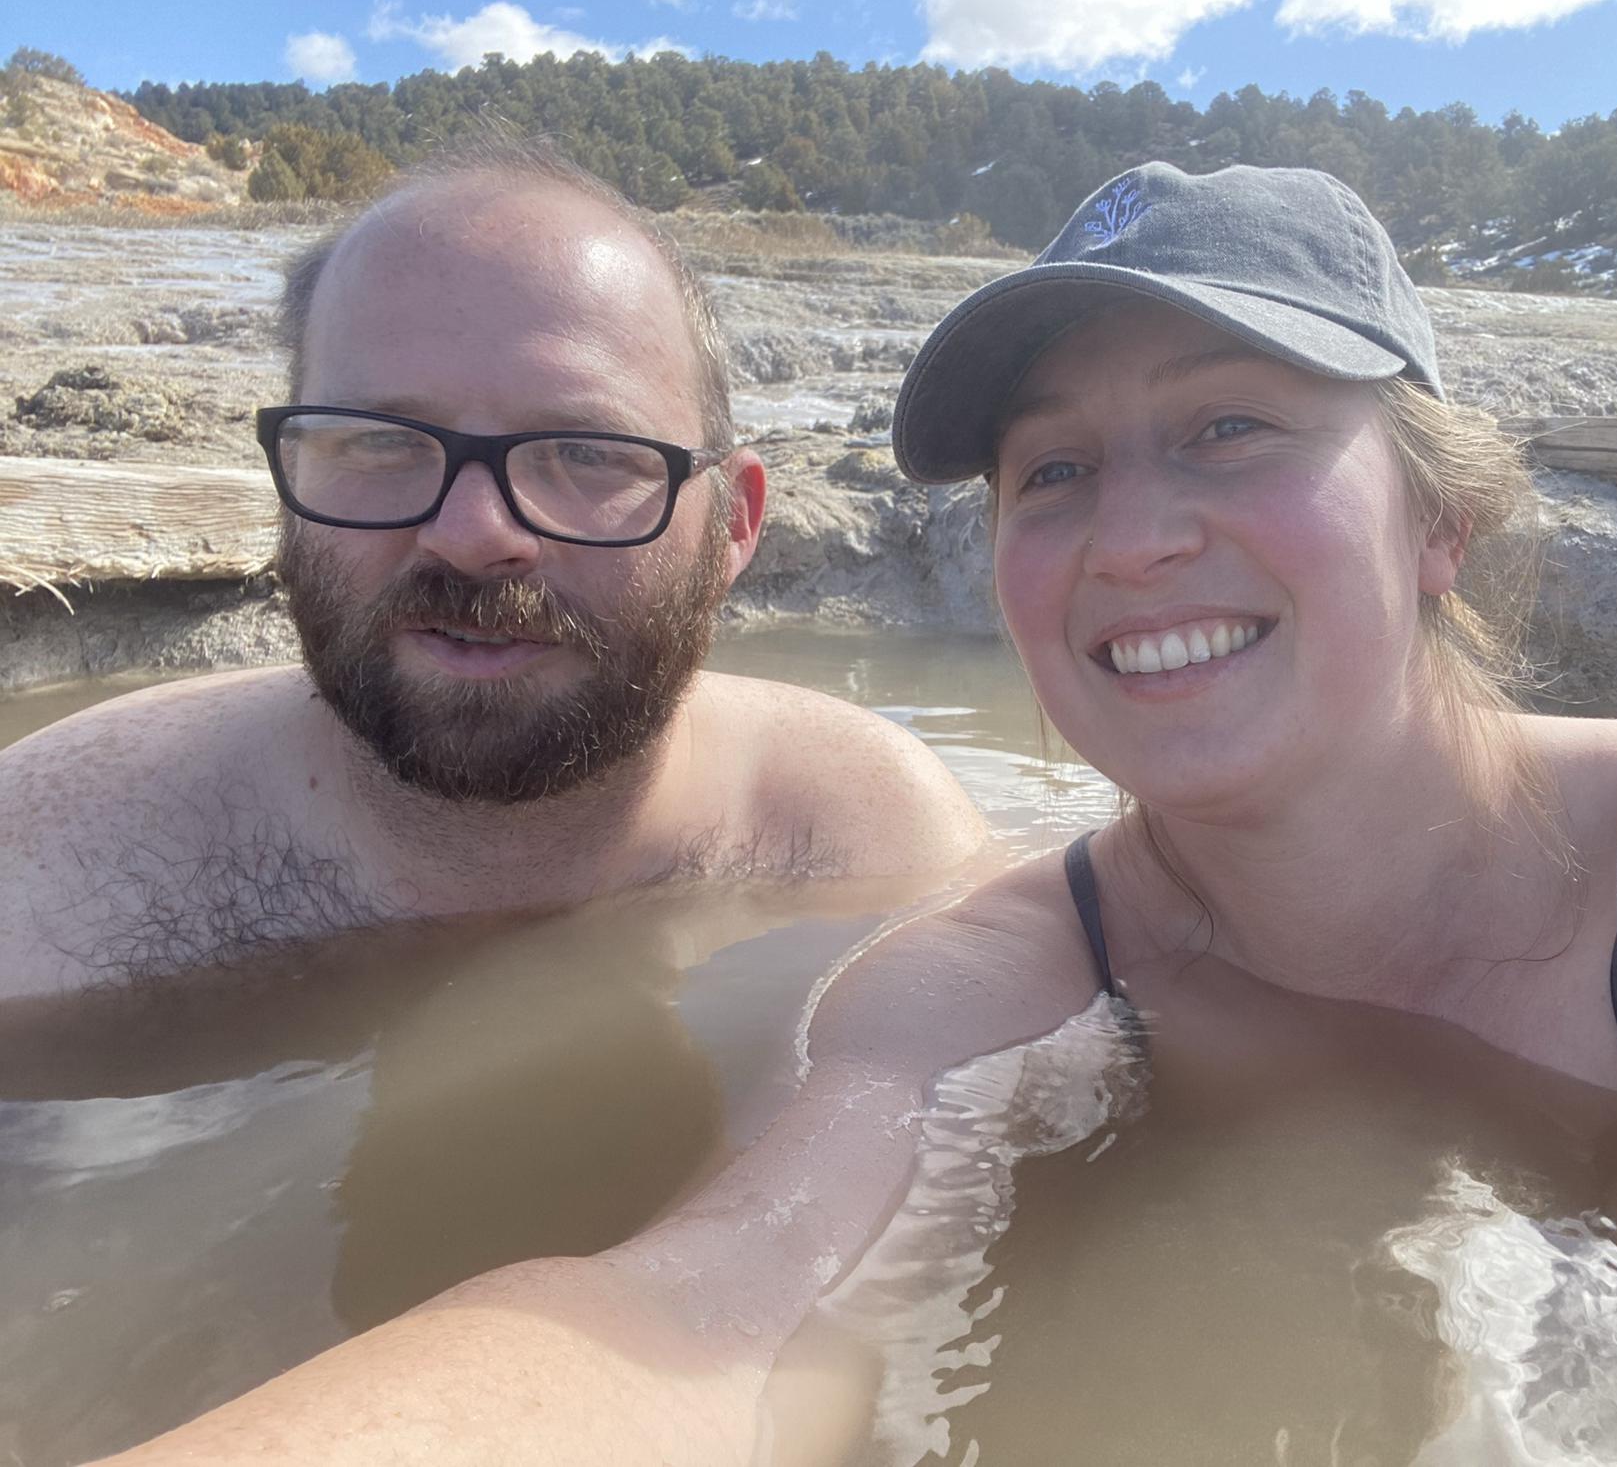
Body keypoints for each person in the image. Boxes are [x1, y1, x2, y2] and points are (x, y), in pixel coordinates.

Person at [94, 164, 1617, 1466]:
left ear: (1439, 520)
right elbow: (707, 1319)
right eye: (1055, 470)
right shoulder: (980, 974)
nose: (1135, 533)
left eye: (1232, 428)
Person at [0, 140, 986, 1001]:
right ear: (288, 468)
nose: (469, 535)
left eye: (588, 452)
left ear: (734, 523)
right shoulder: (45, 866)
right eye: (379, 441)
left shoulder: (874, 840)